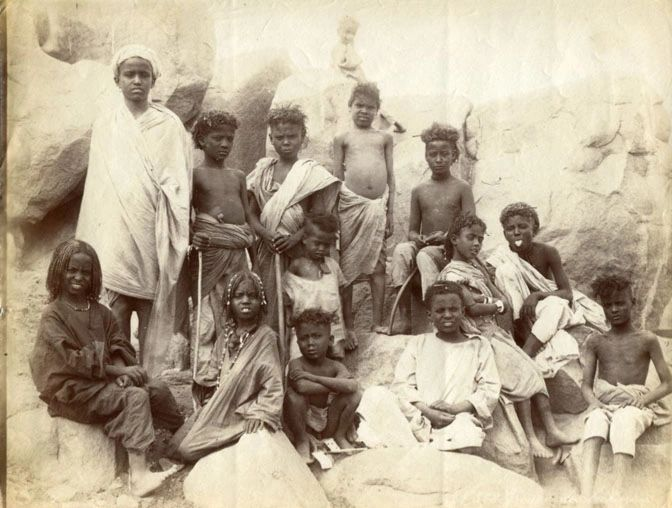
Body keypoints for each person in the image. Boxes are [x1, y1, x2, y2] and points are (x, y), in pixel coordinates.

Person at [30, 240, 184, 497]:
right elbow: (73, 360)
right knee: (135, 397)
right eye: (72, 270)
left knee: (156, 389)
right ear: (59, 272)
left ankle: (179, 442)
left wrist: (123, 370)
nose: (79, 276)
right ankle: (138, 475)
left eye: (85, 272)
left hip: (102, 382)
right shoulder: (52, 314)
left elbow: (119, 343)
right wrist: (118, 373)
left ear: (94, 276)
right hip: (72, 391)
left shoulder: (102, 312)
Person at [76, 44, 192, 375]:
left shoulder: (169, 125)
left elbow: (181, 182)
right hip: (115, 236)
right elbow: (96, 188)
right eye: (130, 74)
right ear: (117, 79)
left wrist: (168, 209)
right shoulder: (107, 124)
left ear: (154, 79)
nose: (137, 81)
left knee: (152, 313)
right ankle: (120, 382)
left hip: (153, 232)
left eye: (144, 74)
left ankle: (149, 382)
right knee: (115, 314)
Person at [438, 213, 577, 457]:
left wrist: (492, 300)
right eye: (470, 238)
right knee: (519, 374)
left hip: (494, 331)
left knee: (531, 368)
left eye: (480, 239)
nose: (476, 244)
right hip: (478, 335)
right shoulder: (452, 274)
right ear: (454, 239)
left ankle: (552, 430)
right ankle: (531, 438)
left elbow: (500, 295)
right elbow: (472, 308)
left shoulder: (474, 269)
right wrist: (495, 305)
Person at [357, 281, 501, 452]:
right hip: (419, 419)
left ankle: (419, 452)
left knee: (467, 433)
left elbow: (489, 389)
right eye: (440, 311)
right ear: (429, 315)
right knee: (374, 395)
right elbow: (402, 385)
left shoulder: (479, 345)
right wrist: (427, 412)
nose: (447, 315)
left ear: (462, 312)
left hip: (455, 420)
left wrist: (453, 409)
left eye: (453, 309)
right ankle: (417, 449)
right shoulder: (418, 343)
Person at [247, 104, 341, 352]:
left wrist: (296, 238)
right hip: (267, 251)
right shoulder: (262, 172)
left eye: (292, 137)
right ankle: (274, 367)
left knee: (302, 309)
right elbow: (251, 213)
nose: (286, 142)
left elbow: (319, 215)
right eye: (279, 137)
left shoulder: (311, 173)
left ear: (303, 138)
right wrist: (265, 234)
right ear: (271, 139)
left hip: (300, 251)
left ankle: (302, 367)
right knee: (271, 308)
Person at [189, 111, 270, 395]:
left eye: (229, 139)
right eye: (217, 138)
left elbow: (248, 218)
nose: (225, 144)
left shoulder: (237, 176)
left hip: (238, 254)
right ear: (201, 140)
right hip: (210, 256)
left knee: (237, 312)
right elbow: (185, 216)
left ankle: (233, 375)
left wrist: (258, 252)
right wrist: (193, 235)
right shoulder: (195, 175)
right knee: (209, 318)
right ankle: (205, 381)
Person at [170, 271, 284, 462]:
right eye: (239, 296)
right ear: (229, 302)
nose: (246, 301)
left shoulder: (266, 338)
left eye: (252, 296)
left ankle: (229, 445)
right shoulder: (225, 336)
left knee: (187, 451)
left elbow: (273, 383)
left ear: (261, 301)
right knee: (173, 446)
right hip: (218, 406)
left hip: (242, 410)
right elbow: (214, 373)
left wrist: (261, 412)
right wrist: (206, 391)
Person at [487, 202, 608, 376]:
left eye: (522, 226)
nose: (516, 232)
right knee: (506, 270)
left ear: (534, 228)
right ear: (504, 233)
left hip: (540, 309)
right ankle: (519, 339)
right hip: (518, 316)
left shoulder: (548, 252)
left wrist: (537, 295)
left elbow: (566, 293)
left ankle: (525, 355)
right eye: (510, 228)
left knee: (557, 305)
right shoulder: (501, 257)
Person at [580, 274, 671, 502]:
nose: (614, 309)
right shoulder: (596, 342)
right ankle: (586, 496)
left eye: (620, 303)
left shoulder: (647, 339)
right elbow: (586, 385)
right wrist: (594, 403)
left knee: (624, 421)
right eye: (608, 305)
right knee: (594, 423)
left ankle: (617, 497)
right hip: (606, 404)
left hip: (633, 405)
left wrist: (645, 400)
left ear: (633, 301)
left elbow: (668, 382)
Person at [389, 123, 475, 334]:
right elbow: (411, 230)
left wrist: (447, 236)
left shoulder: (462, 188)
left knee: (425, 255)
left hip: (450, 252)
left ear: (454, 155)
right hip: (426, 248)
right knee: (401, 250)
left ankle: (434, 317)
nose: (438, 159)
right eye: (433, 154)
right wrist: (417, 238)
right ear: (426, 156)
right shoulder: (419, 190)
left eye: (444, 154)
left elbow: (471, 228)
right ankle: (404, 318)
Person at [334, 82, 394, 344]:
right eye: (359, 105)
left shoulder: (384, 138)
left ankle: (378, 322)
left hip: (376, 207)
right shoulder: (343, 139)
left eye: (370, 107)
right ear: (350, 107)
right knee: (346, 268)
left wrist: (390, 212)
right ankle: (348, 328)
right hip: (349, 206)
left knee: (378, 266)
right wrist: (335, 212)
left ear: (377, 110)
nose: (364, 111)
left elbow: (391, 176)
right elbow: (337, 177)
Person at [285, 309, 362, 463]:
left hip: (329, 421)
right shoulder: (296, 364)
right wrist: (337, 385)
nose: (310, 343)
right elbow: (302, 387)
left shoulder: (335, 366)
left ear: (331, 339)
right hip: (305, 423)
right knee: (292, 396)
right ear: (298, 341)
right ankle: (302, 441)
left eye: (317, 336)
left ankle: (339, 435)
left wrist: (313, 378)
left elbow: (352, 387)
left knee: (354, 396)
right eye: (304, 338)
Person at [283, 213, 347, 360]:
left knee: (336, 358)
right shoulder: (297, 266)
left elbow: (343, 292)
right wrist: (288, 315)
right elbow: (285, 295)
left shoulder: (332, 266)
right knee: (299, 361)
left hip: (332, 328)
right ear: (304, 239)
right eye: (317, 243)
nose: (321, 249)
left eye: (326, 245)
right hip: (305, 331)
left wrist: (348, 328)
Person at [330, 16, 405, 133]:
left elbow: (346, 64)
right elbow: (339, 65)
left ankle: (393, 122)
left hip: (354, 80)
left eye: (352, 33)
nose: (349, 36)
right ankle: (394, 122)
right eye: (347, 32)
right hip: (350, 80)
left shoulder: (345, 48)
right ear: (338, 31)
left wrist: (339, 68)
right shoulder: (341, 47)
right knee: (359, 104)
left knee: (366, 102)